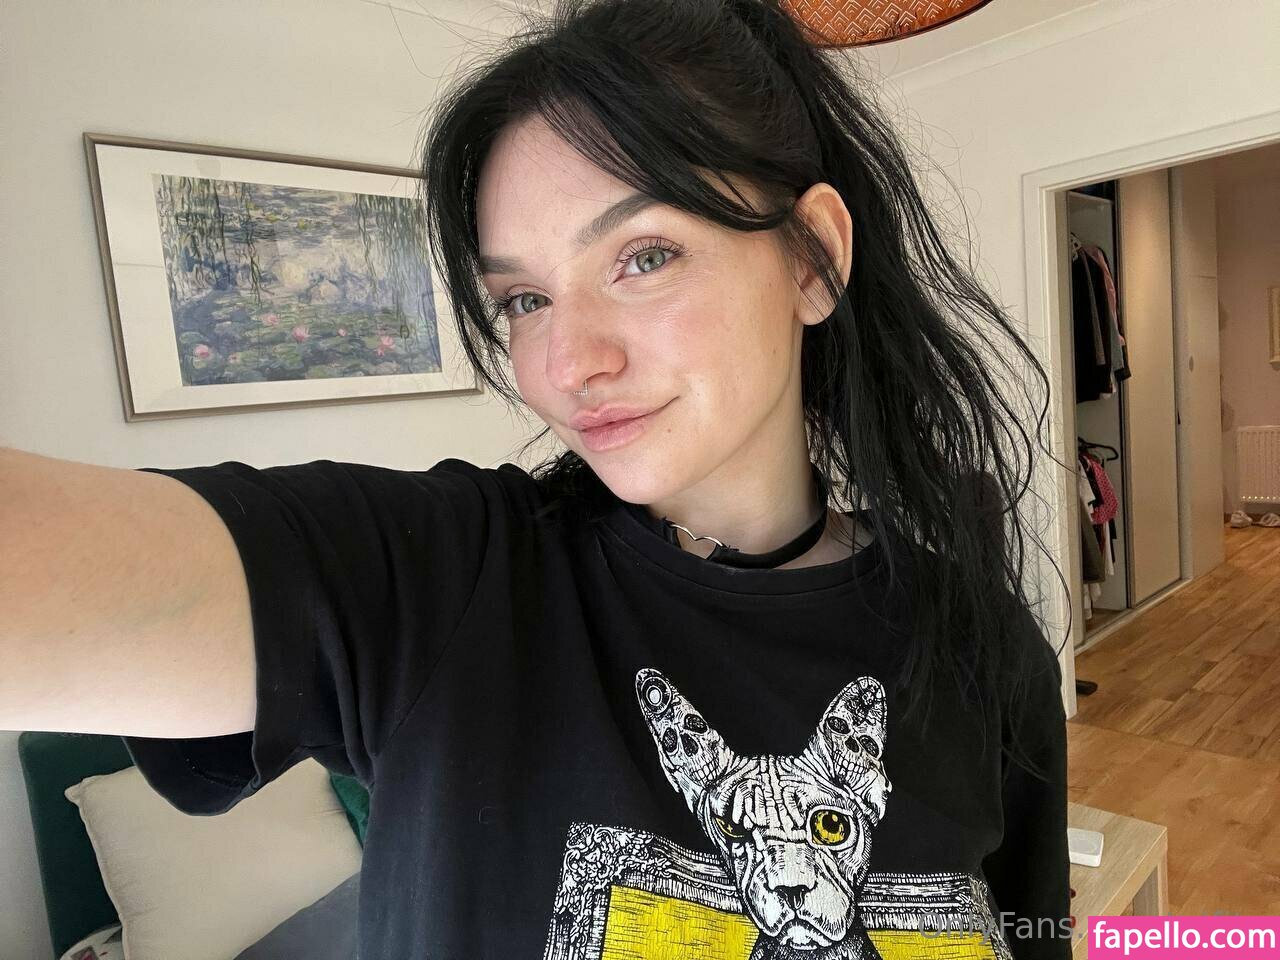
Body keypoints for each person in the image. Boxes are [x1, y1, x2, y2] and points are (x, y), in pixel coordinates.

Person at [0, 0, 1074, 957]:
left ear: (811, 257)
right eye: (523, 301)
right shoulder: (438, 585)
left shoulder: (982, 650)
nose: (568, 365)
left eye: (642, 257)